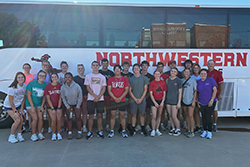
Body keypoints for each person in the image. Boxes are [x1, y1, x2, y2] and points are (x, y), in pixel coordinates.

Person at [85, 61, 106, 140]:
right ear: (91, 66)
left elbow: (104, 88)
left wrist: (98, 97)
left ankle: (99, 131)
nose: (95, 66)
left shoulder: (102, 77)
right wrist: (94, 96)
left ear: (98, 66)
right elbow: (87, 88)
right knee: (90, 116)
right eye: (93, 65)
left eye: (96, 65)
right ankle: (90, 131)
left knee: (100, 115)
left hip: (100, 99)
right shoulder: (88, 76)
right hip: (91, 99)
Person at [107, 65, 130, 138]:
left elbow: (126, 90)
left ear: (120, 70)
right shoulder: (110, 79)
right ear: (114, 71)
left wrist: (120, 98)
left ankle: (123, 130)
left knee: (122, 116)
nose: (117, 71)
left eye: (118, 69)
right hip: (113, 100)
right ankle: (112, 130)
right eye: (115, 69)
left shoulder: (124, 79)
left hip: (122, 100)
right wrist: (115, 98)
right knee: (113, 115)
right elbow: (109, 90)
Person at [4, 72, 26, 143]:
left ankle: (19, 135)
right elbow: (10, 101)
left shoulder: (25, 87)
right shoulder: (12, 88)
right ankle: (12, 136)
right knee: (17, 120)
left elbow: (23, 99)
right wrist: (15, 111)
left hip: (18, 105)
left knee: (22, 119)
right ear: (16, 79)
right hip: (9, 106)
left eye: (22, 77)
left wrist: (21, 109)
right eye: (19, 77)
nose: (20, 79)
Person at [26, 70, 47, 141]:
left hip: (39, 104)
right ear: (37, 76)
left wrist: (42, 106)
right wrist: (32, 106)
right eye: (40, 75)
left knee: (41, 118)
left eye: (43, 76)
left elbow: (44, 97)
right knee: (35, 118)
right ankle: (33, 134)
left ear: (45, 77)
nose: (41, 77)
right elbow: (28, 95)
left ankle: (40, 133)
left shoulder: (45, 85)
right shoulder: (31, 83)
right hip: (30, 104)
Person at [129, 63, 149, 136]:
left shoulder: (144, 78)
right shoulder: (131, 79)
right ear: (133, 70)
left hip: (142, 100)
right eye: (135, 68)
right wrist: (135, 99)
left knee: (142, 115)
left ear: (140, 69)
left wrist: (141, 98)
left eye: (137, 68)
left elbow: (145, 89)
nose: (136, 69)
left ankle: (143, 128)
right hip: (133, 100)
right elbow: (129, 90)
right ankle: (133, 128)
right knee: (133, 115)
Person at [61, 72, 82, 139]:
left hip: (76, 105)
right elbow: (63, 98)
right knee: (69, 118)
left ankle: (79, 132)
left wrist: (78, 106)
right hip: (69, 106)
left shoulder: (76, 86)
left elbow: (80, 96)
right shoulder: (63, 87)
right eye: (66, 77)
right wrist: (67, 106)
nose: (67, 79)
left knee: (78, 118)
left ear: (72, 78)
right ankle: (69, 133)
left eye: (69, 77)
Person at [197, 69, 217, 139]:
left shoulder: (211, 80)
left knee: (208, 116)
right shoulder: (198, 82)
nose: (203, 75)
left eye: (204, 73)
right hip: (202, 102)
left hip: (210, 102)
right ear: (199, 74)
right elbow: (196, 93)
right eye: (201, 73)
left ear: (206, 74)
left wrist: (211, 100)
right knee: (203, 116)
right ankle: (204, 130)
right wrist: (197, 101)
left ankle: (209, 131)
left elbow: (215, 90)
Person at [34, 60, 51, 133]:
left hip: (47, 95)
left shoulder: (50, 74)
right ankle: (42, 127)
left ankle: (50, 126)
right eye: (44, 65)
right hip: (39, 96)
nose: (45, 66)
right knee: (40, 113)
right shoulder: (38, 74)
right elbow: (35, 84)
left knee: (48, 112)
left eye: (47, 65)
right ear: (41, 65)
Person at [44, 73, 62, 141]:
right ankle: (53, 133)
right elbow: (48, 98)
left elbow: (61, 97)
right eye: (52, 77)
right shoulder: (48, 87)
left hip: (59, 106)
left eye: (55, 77)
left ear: (57, 77)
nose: (54, 78)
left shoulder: (60, 86)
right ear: (50, 78)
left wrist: (59, 107)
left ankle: (59, 133)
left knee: (59, 120)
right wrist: (52, 108)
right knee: (53, 120)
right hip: (50, 106)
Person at [207, 59, 224, 132]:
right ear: (207, 65)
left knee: (214, 111)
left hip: (214, 95)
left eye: (212, 64)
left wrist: (220, 94)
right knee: (207, 111)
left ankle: (214, 124)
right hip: (205, 95)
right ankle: (207, 125)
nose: (210, 65)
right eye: (209, 64)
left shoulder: (217, 73)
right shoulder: (205, 72)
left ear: (214, 65)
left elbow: (221, 84)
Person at [149, 70, 167, 137]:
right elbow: (151, 94)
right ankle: (153, 130)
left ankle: (157, 129)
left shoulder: (163, 83)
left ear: (160, 75)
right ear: (154, 75)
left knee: (159, 115)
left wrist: (162, 101)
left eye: (158, 74)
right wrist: (154, 102)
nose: (157, 75)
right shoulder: (152, 83)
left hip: (161, 101)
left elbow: (164, 93)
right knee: (154, 116)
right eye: (155, 74)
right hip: (154, 101)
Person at [98, 58, 114, 132]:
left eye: (106, 63)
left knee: (108, 111)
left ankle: (107, 124)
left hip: (108, 94)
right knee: (100, 111)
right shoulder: (98, 72)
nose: (105, 65)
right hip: (99, 94)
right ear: (101, 64)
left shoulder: (111, 73)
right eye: (103, 63)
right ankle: (100, 125)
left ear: (108, 64)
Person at [166, 67, 182, 136]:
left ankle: (178, 129)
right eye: (172, 71)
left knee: (174, 115)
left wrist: (179, 102)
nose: (173, 72)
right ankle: (173, 128)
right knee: (170, 115)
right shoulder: (167, 80)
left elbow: (180, 92)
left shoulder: (179, 80)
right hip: (168, 100)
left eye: (174, 71)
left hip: (175, 101)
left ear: (177, 73)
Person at [181, 68, 197, 138]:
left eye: (188, 72)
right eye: (185, 72)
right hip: (184, 100)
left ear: (190, 73)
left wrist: (194, 101)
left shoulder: (193, 80)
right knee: (186, 115)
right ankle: (188, 128)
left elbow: (195, 91)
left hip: (190, 100)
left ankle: (192, 130)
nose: (186, 73)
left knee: (191, 115)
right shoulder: (181, 81)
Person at [73, 64, 88, 133]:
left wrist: (87, 94)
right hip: (77, 98)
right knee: (77, 113)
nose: (80, 70)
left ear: (84, 69)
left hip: (85, 97)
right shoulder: (75, 78)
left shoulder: (87, 78)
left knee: (84, 112)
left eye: (82, 68)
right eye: (79, 68)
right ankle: (79, 126)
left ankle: (84, 126)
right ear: (77, 70)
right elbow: (73, 89)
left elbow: (89, 87)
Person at [141, 60, 154, 132]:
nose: (144, 66)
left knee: (148, 111)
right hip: (139, 96)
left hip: (148, 97)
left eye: (146, 65)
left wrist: (147, 95)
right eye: (143, 65)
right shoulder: (138, 75)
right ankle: (139, 125)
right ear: (141, 66)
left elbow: (151, 88)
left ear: (148, 67)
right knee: (139, 112)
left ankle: (148, 125)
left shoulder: (151, 77)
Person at [121, 61, 134, 133]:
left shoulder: (131, 75)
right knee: (121, 112)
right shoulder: (119, 74)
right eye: (124, 66)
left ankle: (129, 124)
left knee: (129, 111)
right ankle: (121, 125)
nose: (126, 67)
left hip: (129, 96)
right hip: (121, 96)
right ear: (122, 66)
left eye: (127, 66)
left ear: (129, 67)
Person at [156, 62, 169, 131]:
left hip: (163, 96)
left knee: (163, 111)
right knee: (156, 111)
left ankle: (161, 123)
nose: (160, 68)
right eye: (158, 67)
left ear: (163, 67)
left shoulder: (166, 76)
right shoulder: (155, 75)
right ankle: (156, 125)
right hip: (156, 96)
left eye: (161, 67)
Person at [22, 63, 35, 132]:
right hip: (22, 95)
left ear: (30, 68)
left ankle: (30, 126)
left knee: (30, 113)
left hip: (30, 95)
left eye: (28, 68)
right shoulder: (21, 76)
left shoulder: (33, 76)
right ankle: (22, 125)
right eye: (25, 68)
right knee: (22, 111)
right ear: (23, 69)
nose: (26, 69)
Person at [57, 61, 69, 133]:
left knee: (68, 112)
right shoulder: (58, 75)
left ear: (67, 67)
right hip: (60, 96)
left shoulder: (70, 75)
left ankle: (68, 125)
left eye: (65, 66)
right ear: (61, 67)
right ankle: (62, 125)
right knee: (61, 112)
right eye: (63, 66)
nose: (64, 67)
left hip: (68, 96)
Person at [191, 64, 202, 133]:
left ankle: (200, 126)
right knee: (195, 112)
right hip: (193, 96)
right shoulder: (191, 77)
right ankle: (195, 126)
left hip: (201, 96)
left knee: (200, 112)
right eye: (194, 68)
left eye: (197, 68)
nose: (196, 69)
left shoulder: (201, 76)